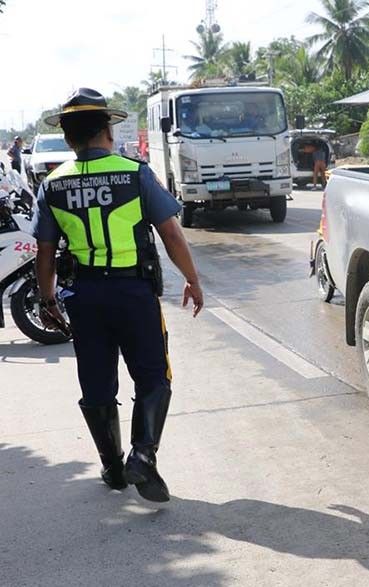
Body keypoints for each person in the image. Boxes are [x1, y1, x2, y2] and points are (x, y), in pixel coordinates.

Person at [32, 88, 204, 503]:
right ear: (106, 131)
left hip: (82, 296)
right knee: (152, 376)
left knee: (96, 384)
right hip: (133, 293)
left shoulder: (53, 184)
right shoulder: (134, 172)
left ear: (71, 138)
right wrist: (193, 280)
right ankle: (142, 456)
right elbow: (170, 234)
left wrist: (47, 299)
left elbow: (45, 252)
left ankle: (112, 467)